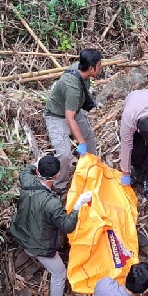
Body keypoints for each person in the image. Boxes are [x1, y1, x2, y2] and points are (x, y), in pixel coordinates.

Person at [10, 155, 93, 296]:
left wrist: (37, 162)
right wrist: (79, 204)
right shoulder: (51, 203)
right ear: (56, 176)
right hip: (38, 245)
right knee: (59, 273)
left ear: (38, 171)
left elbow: (26, 170)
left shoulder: (27, 180)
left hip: (20, 232)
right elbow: (68, 225)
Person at [44, 49, 103, 194]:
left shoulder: (82, 69)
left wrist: (84, 141)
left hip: (74, 111)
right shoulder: (72, 87)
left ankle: (92, 169)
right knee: (64, 154)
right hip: (56, 116)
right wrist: (80, 143)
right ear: (91, 68)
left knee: (88, 137)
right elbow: (69, 119)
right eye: (100, 65)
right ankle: (59, 185)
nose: (101, 68)